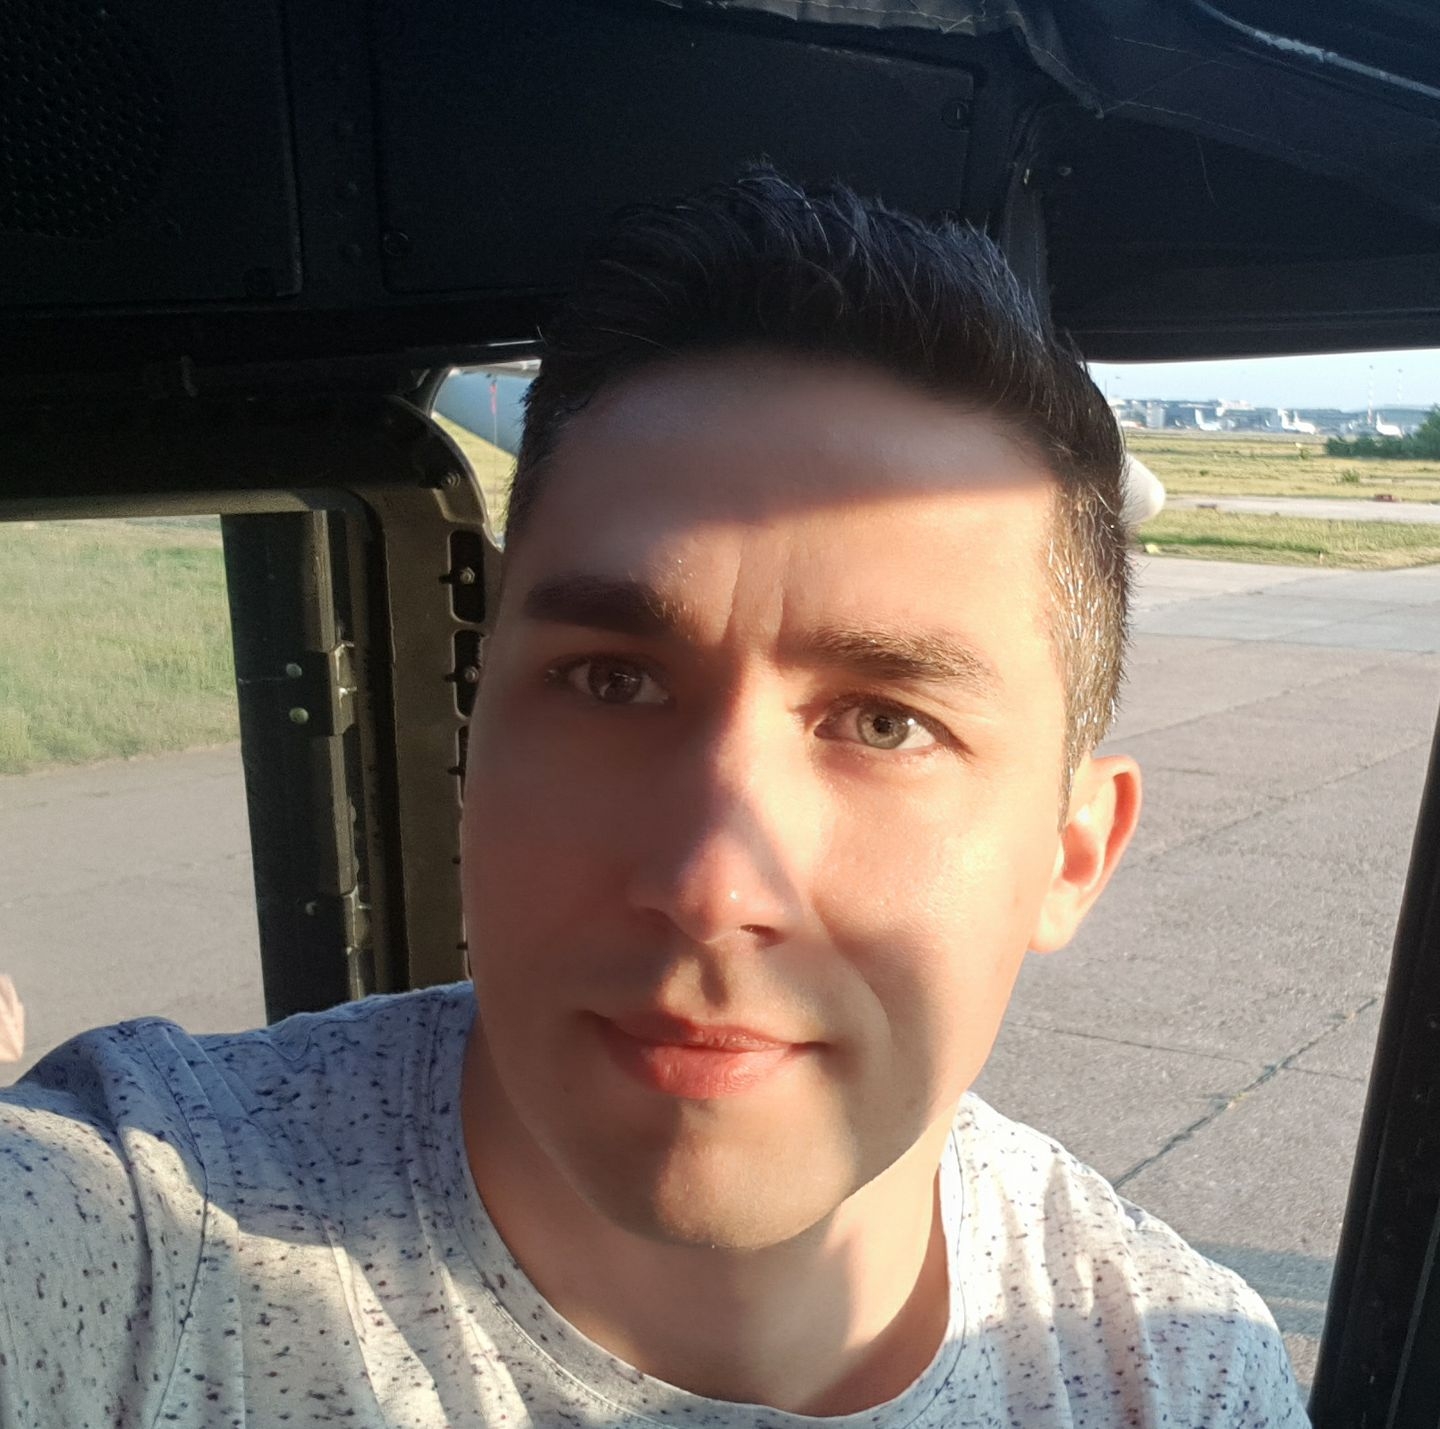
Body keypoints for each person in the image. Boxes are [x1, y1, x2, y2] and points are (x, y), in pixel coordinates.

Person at [0, 171, 1306, 1427]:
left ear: (1072, 853)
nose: (710, 884)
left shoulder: (1178, 1383)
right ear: (476, 730)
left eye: (886, 722)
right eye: (612, 681)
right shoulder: (130, 1241)